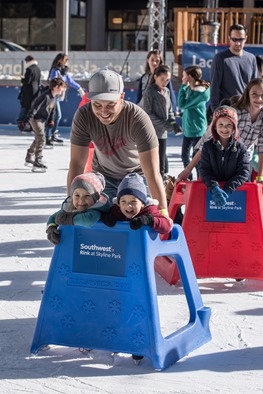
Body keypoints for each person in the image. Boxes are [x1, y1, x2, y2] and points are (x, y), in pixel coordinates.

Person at [67, 68, 169, 216]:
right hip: (102, 177)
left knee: (140, 218)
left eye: (110, 105)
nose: (103, 111)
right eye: (97, 105)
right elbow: (76, 163)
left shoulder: (138, 119)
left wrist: (163, 213)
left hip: (136, 176)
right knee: (96, 217)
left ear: (122, 97)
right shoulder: (84, 115)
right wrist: (70, 205)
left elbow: (152, 172)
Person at [176, 77, 263, 184]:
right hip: (216, 158)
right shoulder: (236, 113)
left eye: (262, 95)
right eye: (254, 94)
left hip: (241, 160)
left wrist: (260, 176)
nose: (259, 99)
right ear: (248, 94)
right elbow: (208, 141)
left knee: (241, 195)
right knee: (213, 192)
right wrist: (188, 169)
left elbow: (261, 147)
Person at [199, 106, 250, 207]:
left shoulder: (240, 148)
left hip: (235, 194)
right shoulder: (208, 146)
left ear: (234, 127)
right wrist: (214, 187)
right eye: (220, 124)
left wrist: (228, 188)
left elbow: (244, 172)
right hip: (212, 193)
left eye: (228, 125)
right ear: (215, 127)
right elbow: (204, 170)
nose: (224, 128)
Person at [140, 65, 181, 180]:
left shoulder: (167, 91)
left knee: (162, 163)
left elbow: (170, 111)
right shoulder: (150, 91)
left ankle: (162, 186)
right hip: (152, 132)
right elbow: (149, 113)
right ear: (155, 77)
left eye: (167, 80)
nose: (165, 82)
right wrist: (166, 125)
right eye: (162, 79)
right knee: (153, 163)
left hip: (162, 133)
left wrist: (173, 124)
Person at [46, 172, 110, 245]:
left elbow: (88, 220)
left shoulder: (96, 209)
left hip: (94, 244)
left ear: (95, 198)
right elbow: (54, 217)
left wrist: (69, 219)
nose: (81, 201)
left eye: (87, 196)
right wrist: (51, 227)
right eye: (77, 195)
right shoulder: (70, 206)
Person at [100, 172, 173, 233]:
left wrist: (151, 220)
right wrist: (105, 218)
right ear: (119, 203)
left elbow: (167, 226)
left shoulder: (150, 211)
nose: (128, 205)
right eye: (123, 201)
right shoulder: (116, 210)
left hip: (143, 246)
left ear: (143, 203)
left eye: (133, 201)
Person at [209, 24, 259, 113]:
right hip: (227, 111)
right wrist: (216, 111)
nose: (238, 43)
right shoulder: (220, 58)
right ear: (229, 38)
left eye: (241, 39)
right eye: (234, 39)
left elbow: (255, 87)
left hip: (247, 110)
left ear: (246, 38)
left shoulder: (251, 58)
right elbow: (214, 87)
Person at [24, 77, 67, 172]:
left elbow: (53, 110)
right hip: (35, 119)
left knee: (38, 138)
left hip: (42, 120)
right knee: (41, 138)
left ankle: (29, 155)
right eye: (62, 87)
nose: (63, 89)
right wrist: (28, 118)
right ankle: (38, 159)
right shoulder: (45, 96)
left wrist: (51, 120)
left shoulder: (54, 97)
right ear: (56, 87)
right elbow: (35, 107)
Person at [45, 52, 85, 147]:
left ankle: (52, 134)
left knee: (56, 116)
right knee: (55, 116)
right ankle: (47, 136)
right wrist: (60, 84)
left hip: (58, 97)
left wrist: (79, 89)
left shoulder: (63, 71)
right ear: (60, 60)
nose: (67, 61)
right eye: (65, 60)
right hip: (53, 96)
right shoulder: (55, 70)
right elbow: (53, 82)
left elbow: (70, 81)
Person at [178, 65, 210, 180]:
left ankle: (201, 179)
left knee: (196, 157)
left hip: (197, 130)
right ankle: (189, 177)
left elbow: (182, 104)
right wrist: (183, 115)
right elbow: (190, 109)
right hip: (188, 129)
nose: (183, 78)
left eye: (184, 76)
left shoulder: (199, 93)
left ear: (189, 77)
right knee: (184, 155)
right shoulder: (190, 89)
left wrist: (182, 86)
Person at [136, 49, 177, 115]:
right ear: (147, 60)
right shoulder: (144, 77)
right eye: (152, 60)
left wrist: (173, 111)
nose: (154, 63)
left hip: (158, 111)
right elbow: (139, 95)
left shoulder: (165, 78)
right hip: (144, 110)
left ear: (160, 62)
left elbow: (171, 96)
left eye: (157, 61)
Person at [17, 55, 41, 132]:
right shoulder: (38, 69)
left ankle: (21, 124)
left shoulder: (29, 70)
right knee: (32, 109)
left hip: (28, 92)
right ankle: (31, 126)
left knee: (24, 108)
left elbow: (27, 82)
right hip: (35, 92)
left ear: (28, 61)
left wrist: (22, 79)